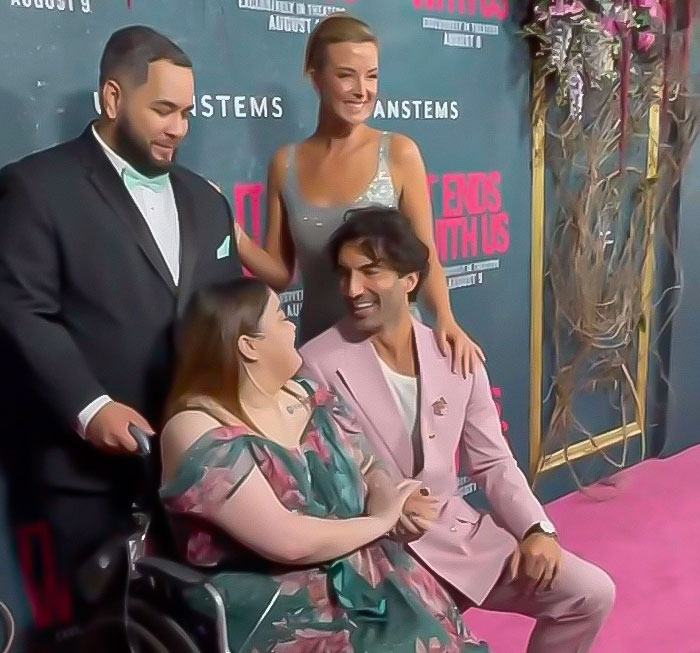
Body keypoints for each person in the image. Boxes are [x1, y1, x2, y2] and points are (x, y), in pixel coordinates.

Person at [0, 26, 242, 618]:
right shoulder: (35, 187)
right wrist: (91, 407)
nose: (179, 128)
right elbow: (21, 309)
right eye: (163, 109)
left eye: (187, 112)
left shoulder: (208, 200)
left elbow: (231, 315)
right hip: (85, 479)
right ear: (112, 98)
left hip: (198, 473)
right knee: (95, 634)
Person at [299, 208, 616, 653]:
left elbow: (492, 461)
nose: (353, 290)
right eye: (345, 275)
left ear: (410, 280)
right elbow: (324, 476)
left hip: (459, 538)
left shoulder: (453, 352)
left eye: (371, 272)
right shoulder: (317, 362)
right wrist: (383, 502)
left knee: (591, 593)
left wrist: (536, 529)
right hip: (378, 555)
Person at [159, 278, 490, 652]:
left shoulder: (307, 394)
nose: (293, 326)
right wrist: (379, 522)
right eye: (282, 317)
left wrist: (392, 502)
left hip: (369, 571)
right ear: (249, 346)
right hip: (277, 605)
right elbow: (287, 541)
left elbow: (369, 466)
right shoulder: (195, 428)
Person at [234, 14, 483, 375]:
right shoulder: (284, 163)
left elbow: (426, 257)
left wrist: (445, 319)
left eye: (372, 76)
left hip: (393, 350)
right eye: (346, 74)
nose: (362, 90)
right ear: (315, 77)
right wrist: (233, 233)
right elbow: (279, 274)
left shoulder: (399, 153)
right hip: (320, 351)